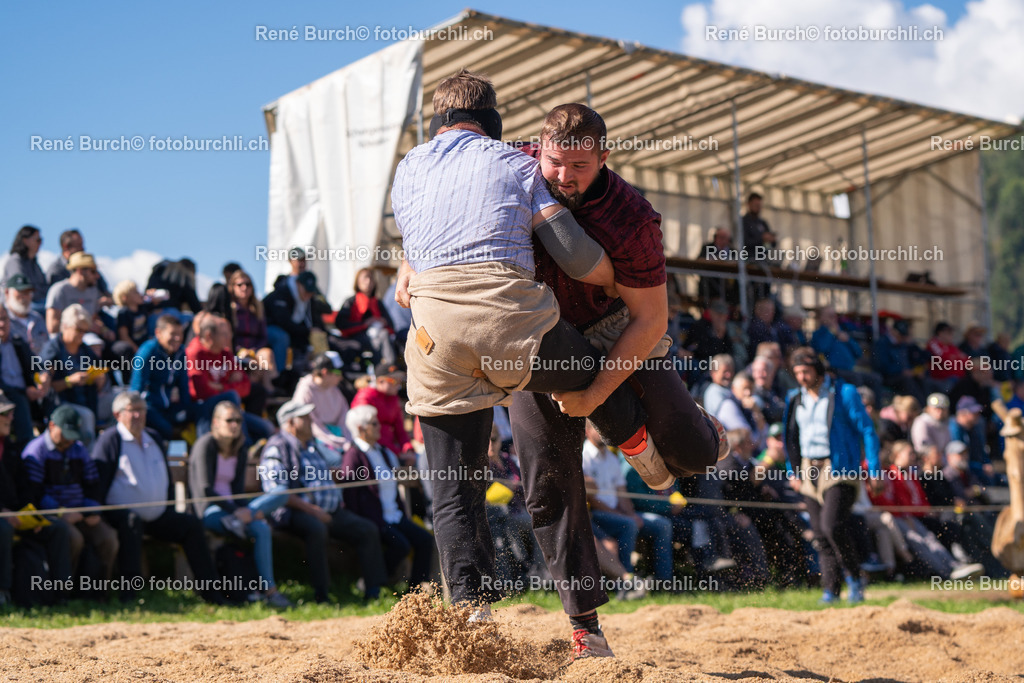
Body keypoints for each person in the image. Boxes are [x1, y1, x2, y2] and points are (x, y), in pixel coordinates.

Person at [393, 90, 722, 652]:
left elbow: (648, 320)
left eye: (579, 166)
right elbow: (443, 214)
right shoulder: (515, 163)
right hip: (532, 331)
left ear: (604, 158)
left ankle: (674, 436)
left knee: (693, 452)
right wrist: (407, 259)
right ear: (536, 147)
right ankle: (585, 628)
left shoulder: (634, 216)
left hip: (616, 330)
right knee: (548, 480)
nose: (563, 176)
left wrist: (595, 393)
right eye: (554, 163)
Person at [93, 391, 226, 604]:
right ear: (118, 415)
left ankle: (212, 594)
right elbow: (98, 482)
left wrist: (171, 507)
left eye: (141, 410)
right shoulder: (110, 440)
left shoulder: (153, 437)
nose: (138, 415)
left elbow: (165, 477)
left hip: (157, 515)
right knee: (131, 523)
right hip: (120, 516)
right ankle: (129, 596)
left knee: (191, 525)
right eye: (132, 411)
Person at [259, 399, 387, 603]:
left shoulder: (312, 446)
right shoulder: (277, 447)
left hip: (331, 511)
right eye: (305, 418)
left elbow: (328, 472)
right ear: (291, 423)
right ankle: (323, 594)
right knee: (317, 529)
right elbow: (277, 492)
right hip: (294, 512)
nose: (311, 421)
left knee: (367, 529)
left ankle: (373, 591)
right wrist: (312, 510)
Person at [783, 347, 880, 603]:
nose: (802, 377)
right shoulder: (795, 397)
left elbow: (867, 431)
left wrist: (874, 468)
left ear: (818, 369)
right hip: (808, 468)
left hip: (839, 467)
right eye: (797, 373)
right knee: (819, 533)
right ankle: (831, 590)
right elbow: (790, 437)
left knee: (832, 525)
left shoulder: (844, 393)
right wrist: (792, 470)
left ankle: (855, 578)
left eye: (806, 371)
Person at [189, 400, 292, 608]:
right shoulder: (205, 444)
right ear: (216, 422)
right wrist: (238, 512)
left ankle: (270, 592)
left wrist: (245, 511)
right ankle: (249, 516)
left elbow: (236, 492)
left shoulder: (241, 447)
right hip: (210, 511)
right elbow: (206, 489)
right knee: (256, 521)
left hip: (236, 513)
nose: (235, 424)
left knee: (277, 500)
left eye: (238, 420)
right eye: (229, 420)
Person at [21, 405, 119, 584]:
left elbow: (93, 484)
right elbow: (34, 493)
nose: (69, 440)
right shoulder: (35, 452)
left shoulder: (79, 449)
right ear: (51, 426)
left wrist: (92, 510)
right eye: (65, 434)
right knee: (73, 539)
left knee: (108, 538)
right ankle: (66, 589)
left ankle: (98, 592)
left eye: (72, 436)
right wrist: (60, 512)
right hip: (53, 516)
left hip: (81, 512)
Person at [341, 405, 435, 590]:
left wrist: (403, 512)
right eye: (375, 424)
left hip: (394, 515)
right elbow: (350, 495)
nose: (380, 427)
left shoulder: (384, 452)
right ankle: (374, 581)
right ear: (361, 428)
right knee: (401, 545)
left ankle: (415, 592)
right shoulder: (353, 455)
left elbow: (394, 484)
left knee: (425, 540)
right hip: (374, 519)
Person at [0, 392, 73, 607]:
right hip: (3, 520)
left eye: (11, 413)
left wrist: (30, 514)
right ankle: (3, 592)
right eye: (4, 414)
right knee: (3, 529)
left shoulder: (11, 448)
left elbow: (26, 487)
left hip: (18, 516)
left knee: (57, 529)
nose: (11, 418)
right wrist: (4, 512)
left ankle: (60, 595)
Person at [581, 421, 674, 588]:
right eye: (597, 427)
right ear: (587, 431)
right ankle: (626, 583)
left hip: (617, 513)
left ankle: (664, 582)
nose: (602, 431)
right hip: (598, 514)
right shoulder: (583, 455)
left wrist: (630, 513)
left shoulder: (611, 457)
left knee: (663, 525)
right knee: (628, 525)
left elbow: (622, 493)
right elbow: (592, 500)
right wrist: (625, 516)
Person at [38, 304, 106, 446]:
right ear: (65, 326)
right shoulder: (52, 350)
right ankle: (90, 460)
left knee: (122, 404)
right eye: (78, 330)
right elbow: (47, 389)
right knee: (87, 417)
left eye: (85, 331)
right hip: (62, 404)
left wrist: (100, 378)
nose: (82, 335)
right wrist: (70, 381)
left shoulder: (85, 350)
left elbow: (100, 371)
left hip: (88, 400)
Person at [130, 315, 197, 440]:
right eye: (172, 334)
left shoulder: (181, 352)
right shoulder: (147, 352)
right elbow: (137, 387)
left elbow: (183, 385)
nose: (177, 338)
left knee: (201, 411)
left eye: (180, 334)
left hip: (169, 407)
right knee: (166, 429)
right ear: (158, 333)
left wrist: (186, 408)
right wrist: (135, 412)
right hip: (150, 407)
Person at [810, 306, 883, 397]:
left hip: (851, 369)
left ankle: (876, 409)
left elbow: (858, 352)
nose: (833, 318)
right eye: (830, 316)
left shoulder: (842, 331)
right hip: (835, 370)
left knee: (876, 378)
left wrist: (848, 340)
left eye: (834, 315)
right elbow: (822, 348)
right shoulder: (818, 334)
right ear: (821, 318)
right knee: (856, 378)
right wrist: (831, 333)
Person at [263, 270, 326, 373]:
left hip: (291, 330)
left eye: (311, 292)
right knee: (282, 337)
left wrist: (317, 331)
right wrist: (308, 330)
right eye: (306, 290)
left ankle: (312, 370)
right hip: (269, 328)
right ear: (298, 284)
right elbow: (284, 322)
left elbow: (319, 316)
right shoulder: (281, 294)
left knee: (314, 337)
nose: (308, 294)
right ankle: (279, 376)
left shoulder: (309, 300)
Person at [350, 363, 413, 464]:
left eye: (399, 381)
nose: (398, 385)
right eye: (393, 380)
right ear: (380, 381)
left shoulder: (393, 398)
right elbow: (368, 434)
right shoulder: (365, 398)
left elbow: (400, 429)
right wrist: (397, 453)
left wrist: (407, 448)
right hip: (372, 451)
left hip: (390, 450)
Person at [226, 269, 278, 392]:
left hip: (254, 351)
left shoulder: (257, 308)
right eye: (240, 285)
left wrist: (252, 351)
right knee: (257, 366)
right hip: (236, 351)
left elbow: (263, 337)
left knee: (267, 354)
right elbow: (228, 337)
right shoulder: (229, 309)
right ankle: (255, 391)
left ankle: (268, 389)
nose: (244, 288)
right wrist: (240, 350)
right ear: (232, 287)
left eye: (248, 284)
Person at [0, 303, 44, 445]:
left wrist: (44, 376)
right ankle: (26, 450)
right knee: (19, 401)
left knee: (50, 396)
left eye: (4, 319)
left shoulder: (17, 341)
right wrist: (24, 391)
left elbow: (36, 365)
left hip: (26, 392)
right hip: (7, 396)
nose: (1, 324)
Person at [292, 351, 351, 455]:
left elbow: (344, 419)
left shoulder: (335, 390)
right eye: (338, 373)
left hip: (337, 439)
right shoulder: (305, 390)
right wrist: (336, 441)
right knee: (337, 460)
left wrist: (347, 441)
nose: (341, 377)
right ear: (324, 372)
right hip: (314, 441)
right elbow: (311, 426)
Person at [335, 268, 397, 366]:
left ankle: (389, 366)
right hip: (357, 337)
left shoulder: (378, 303)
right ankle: (384, 367)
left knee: (385, 335)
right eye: (365, 278)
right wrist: (365, 324)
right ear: (357, 282)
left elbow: (391, 324)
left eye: (371, 278)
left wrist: (382, 321)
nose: (368, 281)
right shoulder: (351, 302)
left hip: (378, 335)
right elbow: (341, 324)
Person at [44, 251, 107, 339]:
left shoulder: (93, 291)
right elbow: (52, 327)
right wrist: (82, 327)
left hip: (90, 339)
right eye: (93, 271)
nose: (97, 276)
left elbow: (94, 318)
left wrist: (104, 330)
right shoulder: (59, 290)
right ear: (80, 271)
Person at [45, 229, 112, 298]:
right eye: (79, 245)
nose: (83, 248)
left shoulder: (88, 267)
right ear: (66, 246)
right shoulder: (56, 270)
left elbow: (105, 291)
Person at [3, 226, 47, 314]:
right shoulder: (15, 261)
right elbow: (20, 287)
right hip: (22, 303)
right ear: (25, 241)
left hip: (37, 302)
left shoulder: (35, 263)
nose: (40, 243)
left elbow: (44, 287)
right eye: (37, 240)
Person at [5, 273, 49, 354]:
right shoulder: (3, 320)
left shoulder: (38, 319)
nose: (24, 297)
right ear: (7, 292)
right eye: (20, 292)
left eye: (27, 292)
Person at [926, 322, 968, 390]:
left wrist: (954, 358)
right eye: (949, 332)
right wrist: (957, 358)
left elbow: (966, 361)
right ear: (940, 333)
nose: (951, 335)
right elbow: (945, 360)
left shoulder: (951, 346)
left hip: (958, 378)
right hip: (942, 380)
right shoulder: (933, 343)